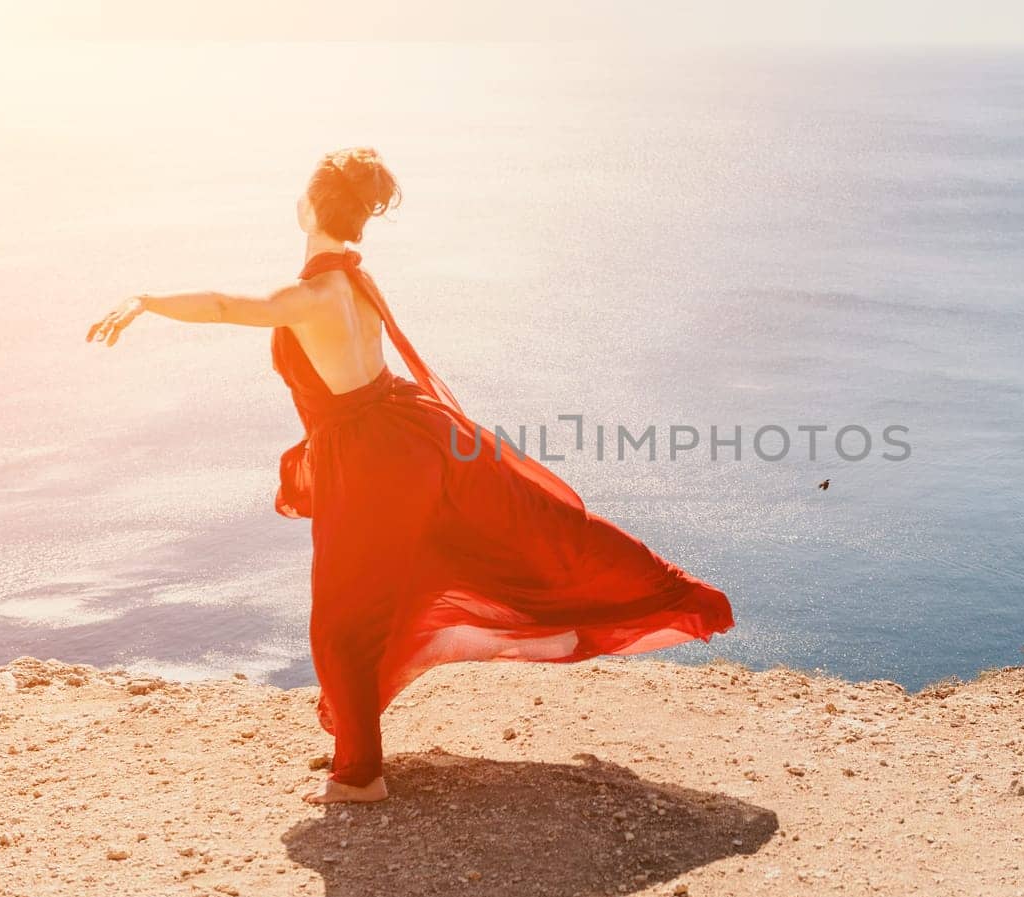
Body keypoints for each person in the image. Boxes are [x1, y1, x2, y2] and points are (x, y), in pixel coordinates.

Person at [86, 147, 734, 805]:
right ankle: (673, 592)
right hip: (409, 430)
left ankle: (360, 776)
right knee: (525, 522)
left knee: (344, 618)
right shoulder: (356, 281)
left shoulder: (312, 295)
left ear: (308, 206)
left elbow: (228, 306)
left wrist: (146, 300)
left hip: (372, 460)